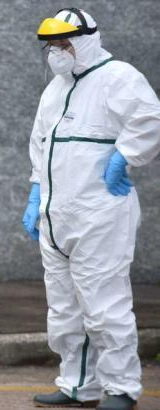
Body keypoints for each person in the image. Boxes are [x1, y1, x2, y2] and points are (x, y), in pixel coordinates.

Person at [22, 8, 160, 410]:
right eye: (51, 46)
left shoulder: (118, 77)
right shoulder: (55, 89)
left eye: (64, 44)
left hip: (100, 213)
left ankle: (121, 388)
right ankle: (78, 385)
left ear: (86, 41)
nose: (56, 52)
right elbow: (40, 143)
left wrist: (125, 156)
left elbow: (150, 120)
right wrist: (35, 193)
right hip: (56, 215)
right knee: (64, 309)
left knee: (105, 305)